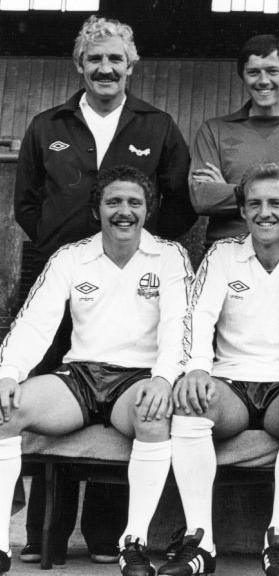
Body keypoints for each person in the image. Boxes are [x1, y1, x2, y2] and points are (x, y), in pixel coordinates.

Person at [12, 15, 195, 565]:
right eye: (95, 59)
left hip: (133, 274)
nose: (106, 68)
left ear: (131, 66)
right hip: (60, 272)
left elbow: (179, 202)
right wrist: (59, 240)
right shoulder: (48, 124)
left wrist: (141, 258)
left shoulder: (157, 125)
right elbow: (25, 202)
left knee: (129, 383)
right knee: (50, 392)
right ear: (80, 66)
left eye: (116, 59)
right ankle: (46, 533)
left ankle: (105, 535)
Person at [0, 166, 192, 576]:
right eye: (114, 202)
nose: (124, 212)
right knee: (6, 410)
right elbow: (35, 322)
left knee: (154, 415)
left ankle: (133, 544)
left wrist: (164, 377)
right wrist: (10, 372)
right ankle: (0, 542)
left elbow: (181, 324)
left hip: (138, 377)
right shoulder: (71, 257)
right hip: (81, 377)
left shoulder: (170, 256)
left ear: (149, 209)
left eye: (134, 203)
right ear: (97, 210)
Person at [164, 163, 279, 576]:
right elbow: (198, 315)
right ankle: (199, 540)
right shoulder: (223, 253)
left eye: (276, 203)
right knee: (191, 405)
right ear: (242, 211)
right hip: (231, 380)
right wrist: (196, 368)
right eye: (255, 204)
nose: (266, 212)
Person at [190, 35, 279, 245]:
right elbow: (202, 198)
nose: (263, 80)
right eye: (253, 72)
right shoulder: (213, 130)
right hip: (225, 251)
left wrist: (233, 190)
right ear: (243, 76)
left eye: (272, 71)